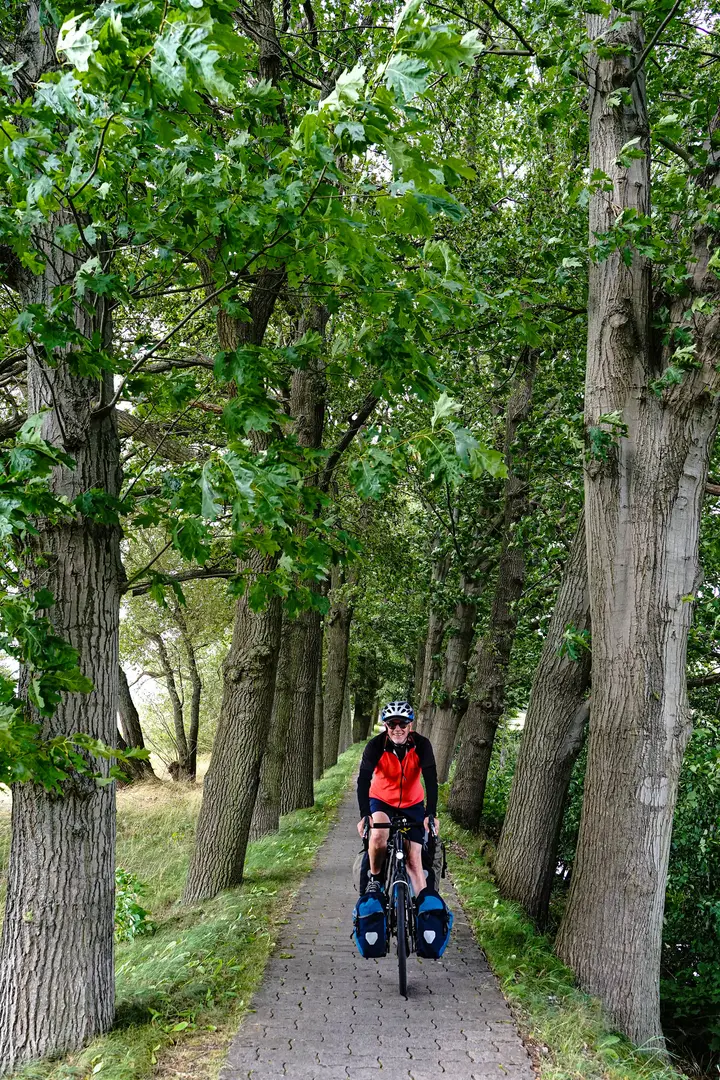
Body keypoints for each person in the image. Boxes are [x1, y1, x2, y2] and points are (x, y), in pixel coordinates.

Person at [356, 700, 439, 897]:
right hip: (382, 801)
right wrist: (365, 815)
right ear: (386, 726)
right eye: (392, 724)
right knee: (377, 838)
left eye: (402, 724)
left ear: (410, 725)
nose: (397, 729)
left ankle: (423, 912)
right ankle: (375, 880)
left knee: (414, 861)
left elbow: (431, 780)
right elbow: (363, 781)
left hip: (412, 804)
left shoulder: (422, 745)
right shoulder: (375, 746)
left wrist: (431, 814)